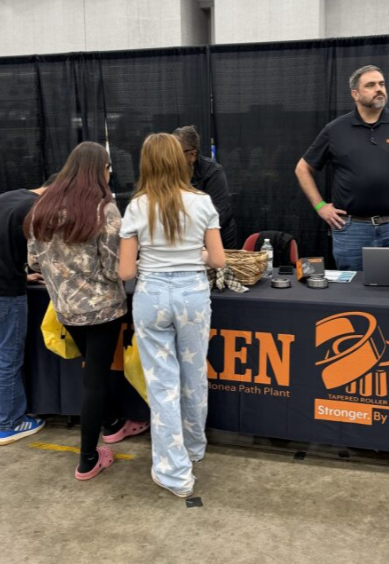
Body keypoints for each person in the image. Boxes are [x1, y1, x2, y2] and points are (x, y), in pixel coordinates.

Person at [25, 142, 148, 481]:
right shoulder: (103, 210)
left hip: (65, 309)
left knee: (93, 371)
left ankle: (112, 425)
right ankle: (87, 459)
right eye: (109, 169)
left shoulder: (42, 206)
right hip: (103, 311)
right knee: (94, 380)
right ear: (100, 170)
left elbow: (34, 260)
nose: (110, 175)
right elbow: (114, 268)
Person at [118, 133, 225, 498]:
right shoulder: (203, 202)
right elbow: (219, 260)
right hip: (192, 294)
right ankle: (194, 448)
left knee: (162, 384)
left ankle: (174, 472)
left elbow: (126, 272)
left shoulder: (136, 207)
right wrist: (194, 257)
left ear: (145, 163)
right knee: (193, 376)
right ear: (182, 161)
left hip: (152, 296)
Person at [295, 65, 389, 271]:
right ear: (355, 94)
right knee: (352, 294)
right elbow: (302, 168)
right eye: (371, 85)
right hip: (351, 229)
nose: (379, 89)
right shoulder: (335, 129)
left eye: (382, 84)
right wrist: (320, 206)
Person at [0, 175, 58, 445]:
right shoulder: (36, 209)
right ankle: (10, 423)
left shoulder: (6, 196)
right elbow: (40, 259)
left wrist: (21, 274)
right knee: (7, 358)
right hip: (2, 291)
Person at [173, 126, 237, 248]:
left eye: (175, 153)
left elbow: (218, 215)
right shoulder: (167, 173)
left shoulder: (213, 172)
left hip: (217, 240)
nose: (169, 157)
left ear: (192, 154)